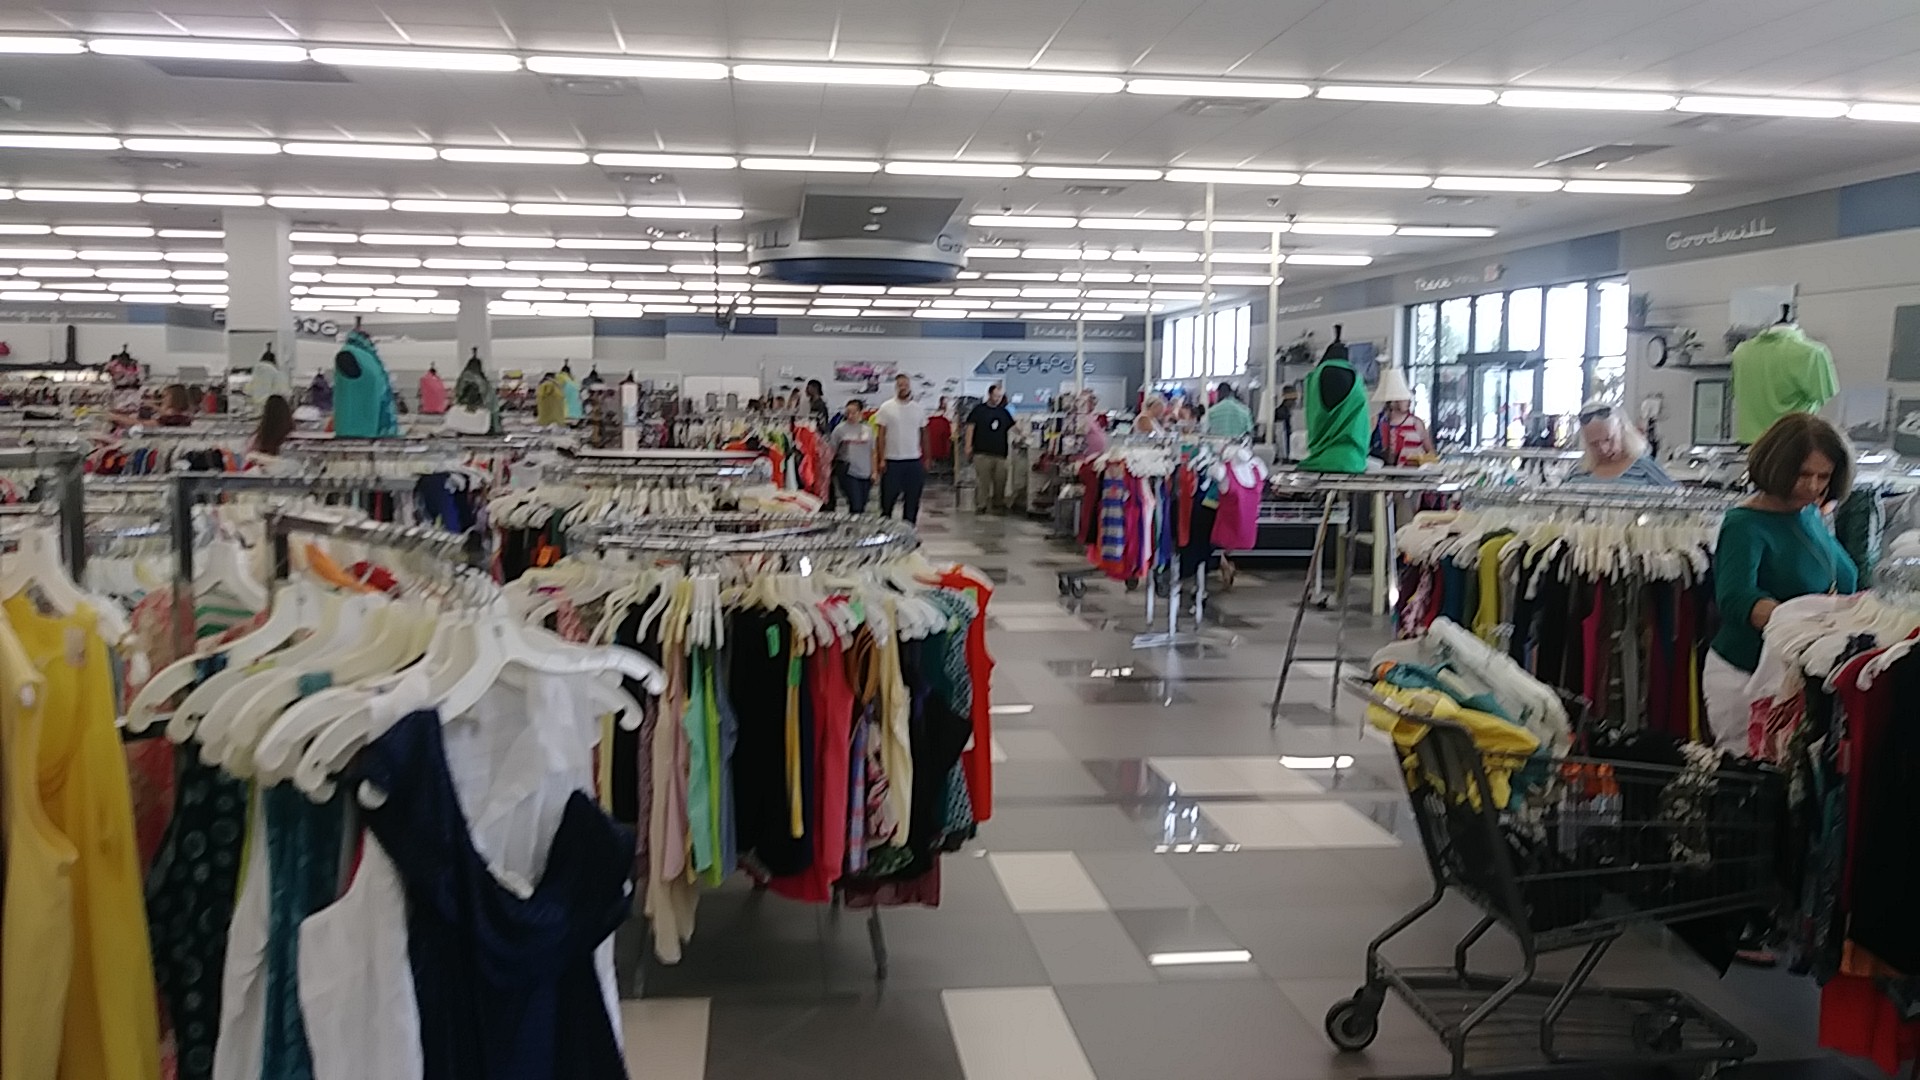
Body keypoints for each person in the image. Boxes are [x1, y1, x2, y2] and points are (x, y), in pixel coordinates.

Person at [1706, 412, 1857, 966]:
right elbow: (1737, 600)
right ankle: (1733, 920)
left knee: (1780, 799)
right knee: (1745, 793)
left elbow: (1840, 578)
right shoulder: (1745, 524)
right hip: (1745, 676)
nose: (1813, 486)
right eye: (1804, 474)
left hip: (1793, 679)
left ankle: (1768, 909)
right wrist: (1805, 619)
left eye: (1823, 476)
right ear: (1777, 465)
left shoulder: (1812, 515)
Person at [1570, 401, 1673, 485]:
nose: (1604, 449)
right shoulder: (1578, 473)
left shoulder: (1645, 469)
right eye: (1594, 444)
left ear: (1623, 431)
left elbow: (1677, 499)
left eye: (1608, 439)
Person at [874, 374, 928, 524]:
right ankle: (885, 528)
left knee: (912, 499)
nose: (903, 387)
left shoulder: (918, 409)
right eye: (900, 385)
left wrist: (927, 458)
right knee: (887, 500)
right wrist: (881, 458)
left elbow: (924, 434)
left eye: (905, 384)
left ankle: (909, 529)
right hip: (892, 460)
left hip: (913, 460)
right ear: (896, 387)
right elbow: (881, 435)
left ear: (910, 386)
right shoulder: (886, 408)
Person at [965, 383, 1016, 514]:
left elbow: (1013, 426)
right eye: (995, 396)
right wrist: (968, 446)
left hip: (1000, 453)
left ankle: (998, 504)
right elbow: (970, 428)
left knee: (1000, 481)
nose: (997, 399)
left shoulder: (1004, 412)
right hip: (982, 452)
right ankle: (981, 505)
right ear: (989, 395)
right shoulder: (979, 410)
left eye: (1000, 396)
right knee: (983, 482)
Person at [1370, 369, 1434, 467]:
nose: (1408, 401)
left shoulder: (1416, 423)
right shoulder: (1377, 421)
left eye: (1408, 398)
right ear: (1392, 402)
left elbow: (1430, 452)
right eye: (1403, 398)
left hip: (1413, 472)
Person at [829, 399, 875, 513]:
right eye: (847, 412)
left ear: (860, 413)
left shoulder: (867, 430)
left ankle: (856, 523)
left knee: (863, 503)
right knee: (856, 503)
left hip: (865, 471)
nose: (850, 416)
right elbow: (831, 450)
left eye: (853, 413)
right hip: (848, 470)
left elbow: (873, 451)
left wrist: (874, 471)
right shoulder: (839, 430)